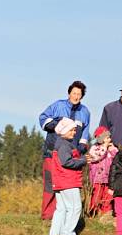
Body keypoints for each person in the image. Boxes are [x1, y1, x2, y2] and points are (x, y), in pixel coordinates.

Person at [38, 81, 90, 220]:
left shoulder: (85, 112)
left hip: (71, 155)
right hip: (52, 152)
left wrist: (80, 149)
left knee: (67, 185)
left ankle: (64, 217)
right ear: (69, 93)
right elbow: (42, 118)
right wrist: (57, 125)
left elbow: (85, 134)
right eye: (74, 93)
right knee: (50, 184)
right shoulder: (58, 105)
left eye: (79, 94)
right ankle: (47, 216)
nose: (76, 96)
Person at [47, 118, 90, 235]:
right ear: (64, 131)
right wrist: (83, 160)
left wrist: (81, 159)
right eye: (71, 130)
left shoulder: (61, 143)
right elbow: (66, 162)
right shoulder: (65, 145)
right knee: (75, 207)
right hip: (68, 181)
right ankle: (68, 234)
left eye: (75, 130)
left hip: (60, 181)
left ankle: (54, 234)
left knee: (61, 208)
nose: (74, 132)